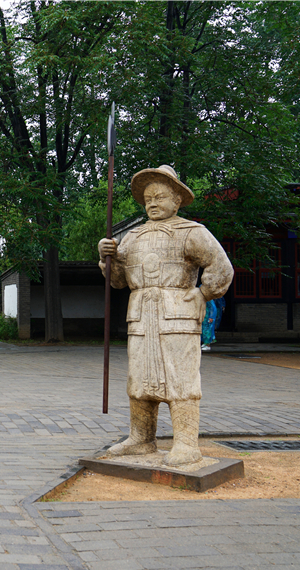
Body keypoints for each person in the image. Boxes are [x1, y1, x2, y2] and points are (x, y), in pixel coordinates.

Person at [98, 165, 234, 466]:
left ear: (177, 200)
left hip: (178, 314)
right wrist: (106, 256)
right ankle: (141, 439)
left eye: (159, 196)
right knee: (140, 380)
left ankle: (186, 443)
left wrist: (202, 293)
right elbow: (118, 281)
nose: (152, 203)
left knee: (180, 379)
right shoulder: (132, 237)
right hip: (141, 316)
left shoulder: (192, 232)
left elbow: (221, 267)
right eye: (147, 198)